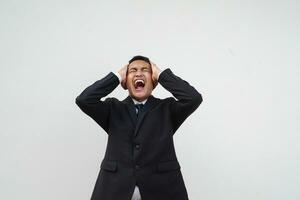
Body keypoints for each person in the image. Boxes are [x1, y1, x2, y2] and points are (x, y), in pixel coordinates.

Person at [75, 55, 202, 200]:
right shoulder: (112, 108)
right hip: (115, 190)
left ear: (153, 81)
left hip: (162, 189)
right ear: (125, 83)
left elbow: (193, 98)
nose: (139, 73)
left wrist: (161, 74)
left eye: (145, 70)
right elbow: (84, 100)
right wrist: (116, 76)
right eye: (133, 71)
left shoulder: (167, 109)